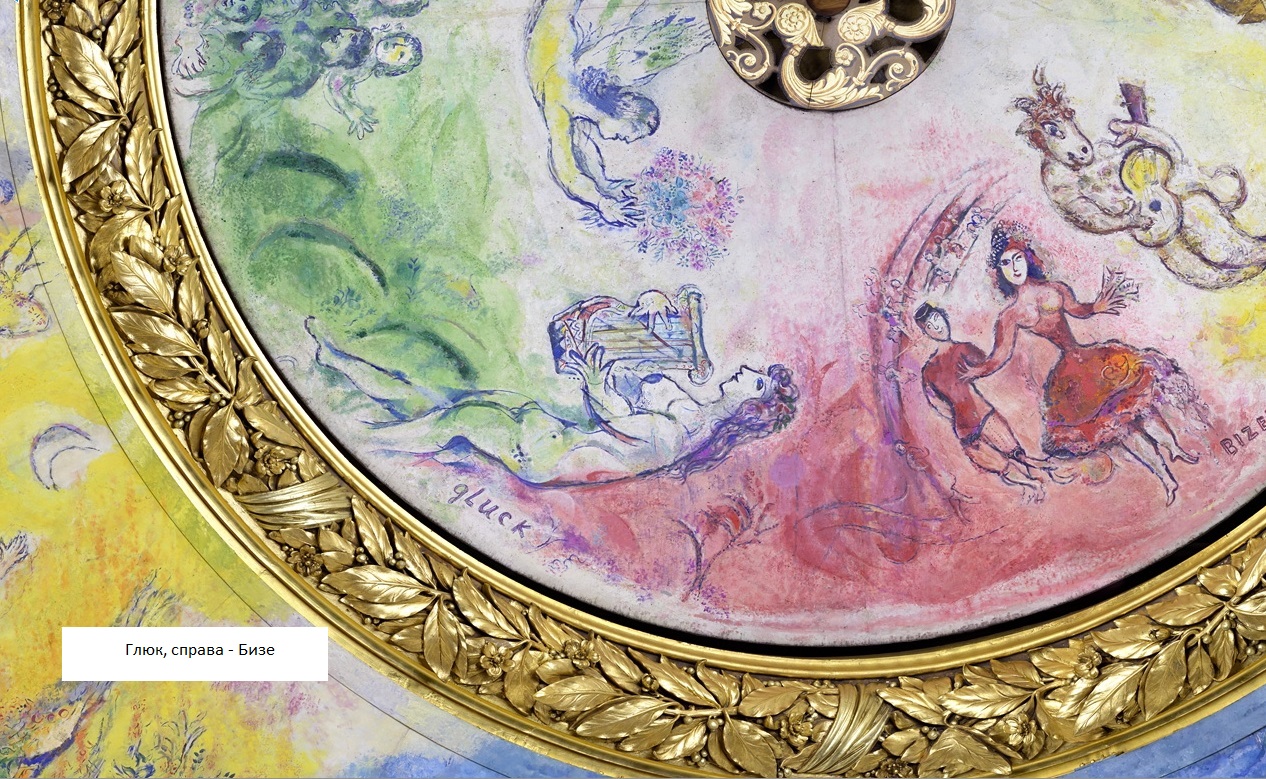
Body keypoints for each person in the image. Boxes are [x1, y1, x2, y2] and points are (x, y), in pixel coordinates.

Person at [307, 319, 798, 486]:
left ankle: (360, 443)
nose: (747, 371)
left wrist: (594, 380)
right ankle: (338, 362)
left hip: (547, 454)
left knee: (453, 418)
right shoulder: (690, 411)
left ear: (750, 409)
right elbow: (640, 380)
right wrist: (648, 325)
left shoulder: (686, 432)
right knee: (438, 402)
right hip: (550, 432)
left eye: (756, 382)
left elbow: (618, 421)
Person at [961, 226, 1200, 504]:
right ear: (1000, 272)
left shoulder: (1055, 289)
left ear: (1028, 259)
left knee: (1136, 406)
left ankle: (1175, 448)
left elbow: (1078, 310)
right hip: (1069, 377)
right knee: (1120, 429)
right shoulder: (1010, 315)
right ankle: (1166, 478)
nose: (1014, 268)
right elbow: (999, 355)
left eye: (1017, 259)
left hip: (1091, 359)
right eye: (1005, 263)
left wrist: (1096, 306)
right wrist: (978, 370)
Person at [914, 303, 1051, 501]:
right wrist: (957, 415)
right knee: (1001, 466)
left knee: (1017, 454)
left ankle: (1041, 480)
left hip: (984, 416)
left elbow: (987, 366)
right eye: (930, 326)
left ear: (944, 317)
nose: (937, 327)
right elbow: (936, 402)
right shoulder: (929, 370)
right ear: (925, 332)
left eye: (937, 320)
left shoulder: (964, 349)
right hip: (966, 429)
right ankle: (1032, 485)